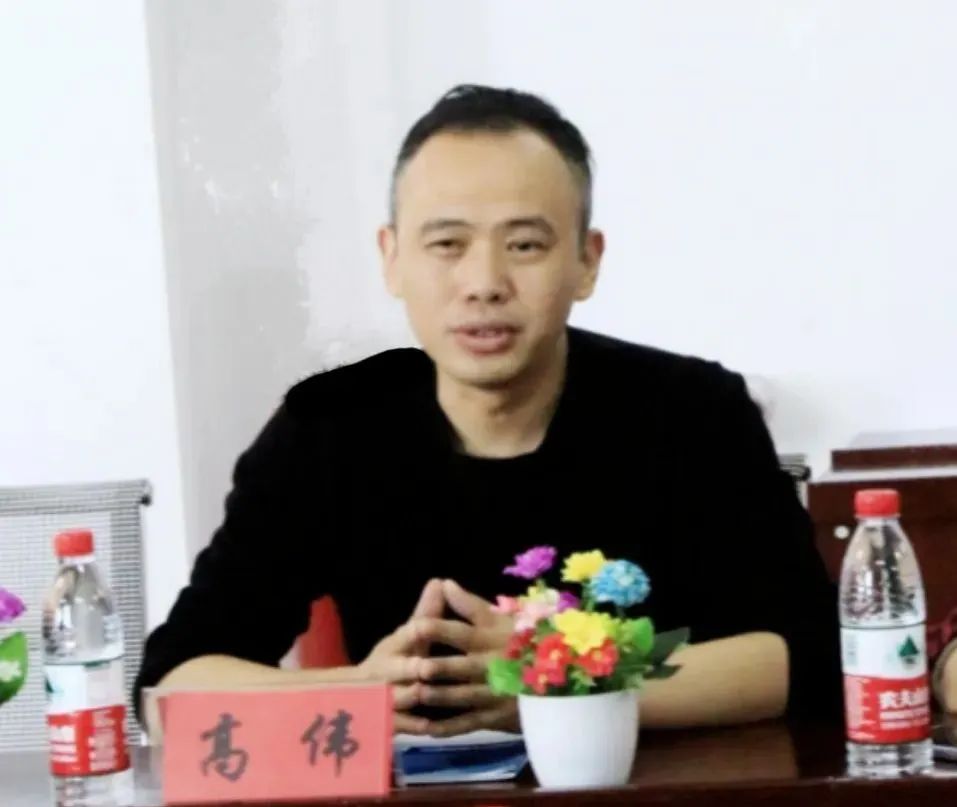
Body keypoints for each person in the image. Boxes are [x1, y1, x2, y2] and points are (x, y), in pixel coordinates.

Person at [136, 84, 845, 738]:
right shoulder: (328, 428)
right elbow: (168, 690)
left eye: (524, 245)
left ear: (587, 261)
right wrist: (363, 691)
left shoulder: (692, 412)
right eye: (446, 244)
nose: (483, 282)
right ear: (391, 258)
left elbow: (807, 656)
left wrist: (554, 679)